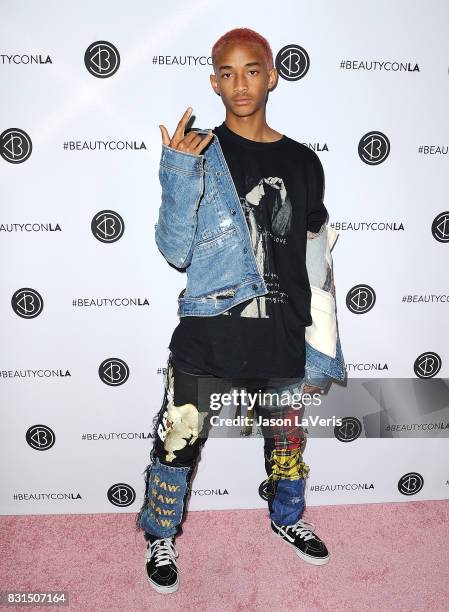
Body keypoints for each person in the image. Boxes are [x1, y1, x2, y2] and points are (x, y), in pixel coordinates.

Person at [135, 27, 340, 594]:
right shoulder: (198, 151)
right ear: (213, 81)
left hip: (281, 333)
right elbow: (176, 249)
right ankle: (160, 534)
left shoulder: (303, 161)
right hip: (211, 330)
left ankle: (288, 520)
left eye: (251, 70)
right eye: (226, 72)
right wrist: (176, 172)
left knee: (287, 443)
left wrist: (323, 337)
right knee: (178, 439)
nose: (239, 83)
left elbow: (312, 251)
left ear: (272, 75)